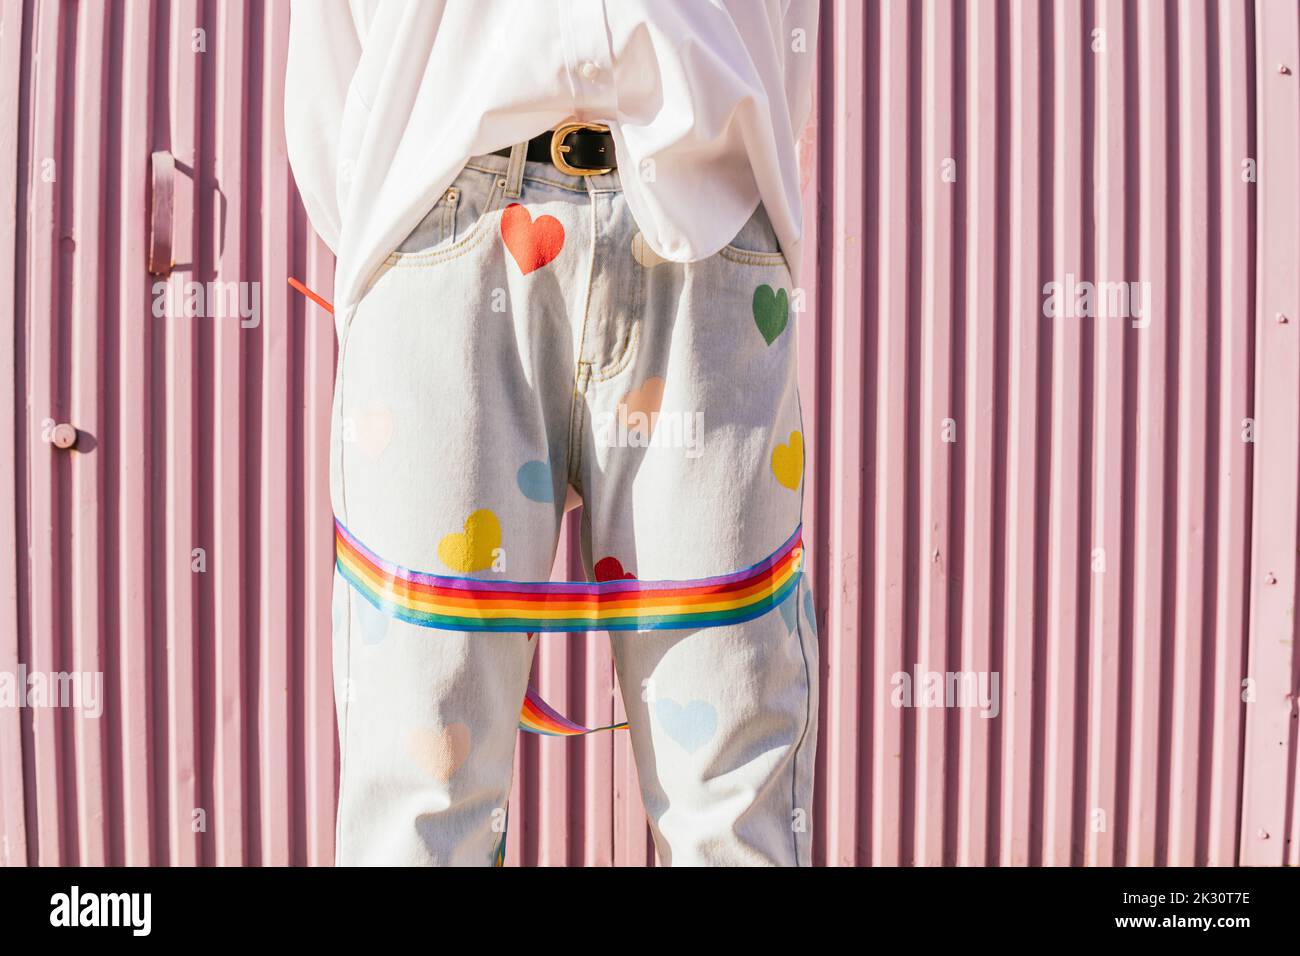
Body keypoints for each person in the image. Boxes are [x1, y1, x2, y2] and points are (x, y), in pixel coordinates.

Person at [285, 0, 820, 867]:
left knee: (730, 801)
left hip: (706, 235)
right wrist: (392, 242)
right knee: (423, 802)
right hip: (448, 227)